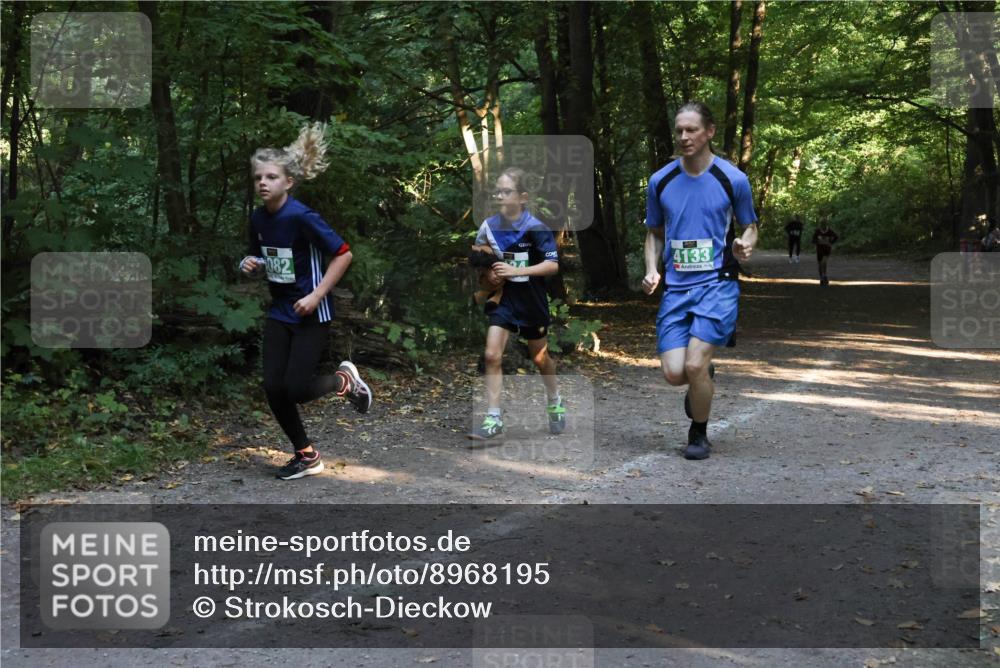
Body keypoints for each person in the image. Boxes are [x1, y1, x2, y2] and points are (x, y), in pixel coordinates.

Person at [239, 122, 373, 480]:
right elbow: (259, 257)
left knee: (296, 389)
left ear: (288, 182)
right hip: (281, 310)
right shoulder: (257, 218)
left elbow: (343, 254)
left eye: (270, 177)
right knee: (272, 386)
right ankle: (307, 455)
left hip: (312, 312)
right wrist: (249, 264)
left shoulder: (301, 216)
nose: (262, 183)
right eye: (258, 178)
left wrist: (316, 295)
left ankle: (344, 381)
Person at [642, 102, 758, 461]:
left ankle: (699, 434)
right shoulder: (661, 181)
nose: (684, 137)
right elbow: (654, 233)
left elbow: (750, 226)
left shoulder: (732, 179)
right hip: (677, 289)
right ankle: (702, 372)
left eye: (691, 130)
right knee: (676, 374)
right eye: (679, 130)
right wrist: (651, 268)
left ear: (709, 132)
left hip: (718, 284)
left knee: (691, 366)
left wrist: (744, 245)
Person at [468, 167, 564, 441]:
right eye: (497, 190)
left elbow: (552, 266)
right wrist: (489, 276)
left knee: (539, 358)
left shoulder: (535, 228)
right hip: (505, 300)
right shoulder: (488, 227)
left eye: (506, 191)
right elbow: (478, 259)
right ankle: (494, 418)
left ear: (522, 197)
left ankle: (554, 399)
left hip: (532, 301)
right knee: (491, 355)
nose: (499, 195)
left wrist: (517, 271)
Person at [812, 214, 839, 285]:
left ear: (826, 224)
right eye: (822, 224)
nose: (823, 226)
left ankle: (825, 275)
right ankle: (821, 277)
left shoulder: (829, 231)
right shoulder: (817, 231)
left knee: (824, 262)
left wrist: (831, 242)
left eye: (824, 224)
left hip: (827, 249)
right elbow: (813, 240)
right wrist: (818, 241)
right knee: (820, 264)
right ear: (820, 225)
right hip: (819, 249)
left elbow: (836, 236)